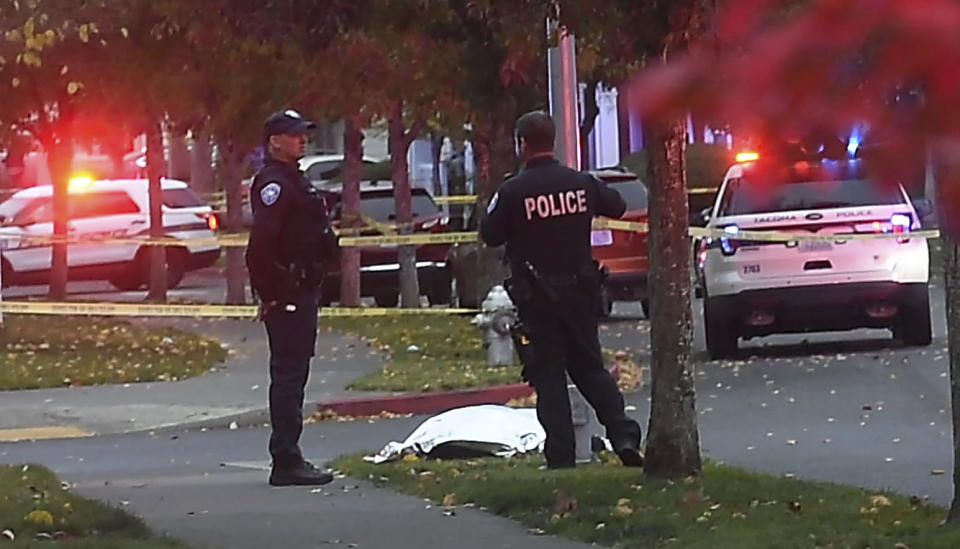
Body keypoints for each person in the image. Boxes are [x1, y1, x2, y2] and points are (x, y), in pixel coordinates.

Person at [480, 110, 643, 469]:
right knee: (590, 369)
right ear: (551, 142)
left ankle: (561, 455)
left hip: (537, 301)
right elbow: (616, 204)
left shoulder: (513, 190)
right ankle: (624, 435)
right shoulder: (580, 182)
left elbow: (489, 234)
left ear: (522, 144)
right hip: (581, 293)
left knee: (549, 376)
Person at [246, 109, 338, 486]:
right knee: (288, 375)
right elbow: (261, 246)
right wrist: (273, 291)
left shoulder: (294, 180)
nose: (302, 139)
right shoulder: (275, 184)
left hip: (303, 289)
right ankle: (285, 458)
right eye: (295, 134)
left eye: (304, 134)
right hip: (290, 293)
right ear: (275, 141)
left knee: (294, 373)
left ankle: (289, 454)